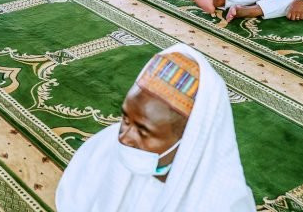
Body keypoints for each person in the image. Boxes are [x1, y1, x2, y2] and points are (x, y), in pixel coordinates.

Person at [56, 44, 255, 212]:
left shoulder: (222, 203)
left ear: (189, 138)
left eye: (143, 131)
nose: (124, 138)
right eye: (126, 119)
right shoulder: (102, 147)